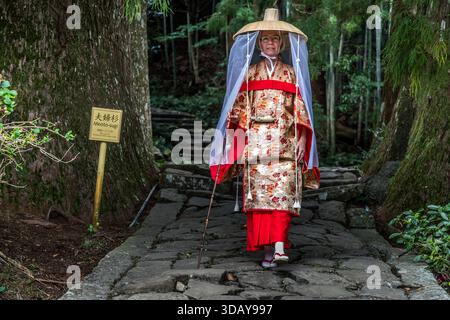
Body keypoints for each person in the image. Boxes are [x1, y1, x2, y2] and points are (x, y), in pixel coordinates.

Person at [209, 8, 320, 268]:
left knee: (283, 194)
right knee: (260, 199)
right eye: (266, 39)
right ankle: (268, 249)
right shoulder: (250, 74)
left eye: (275, 39)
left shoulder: (292, 74)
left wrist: (303, 139)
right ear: (259, 43)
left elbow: (301, 108)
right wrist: (232, 140)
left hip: (286, 143)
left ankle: (279, 246)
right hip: (256, 145)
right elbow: (238, 109)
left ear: (281, 43)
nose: (270, 43)